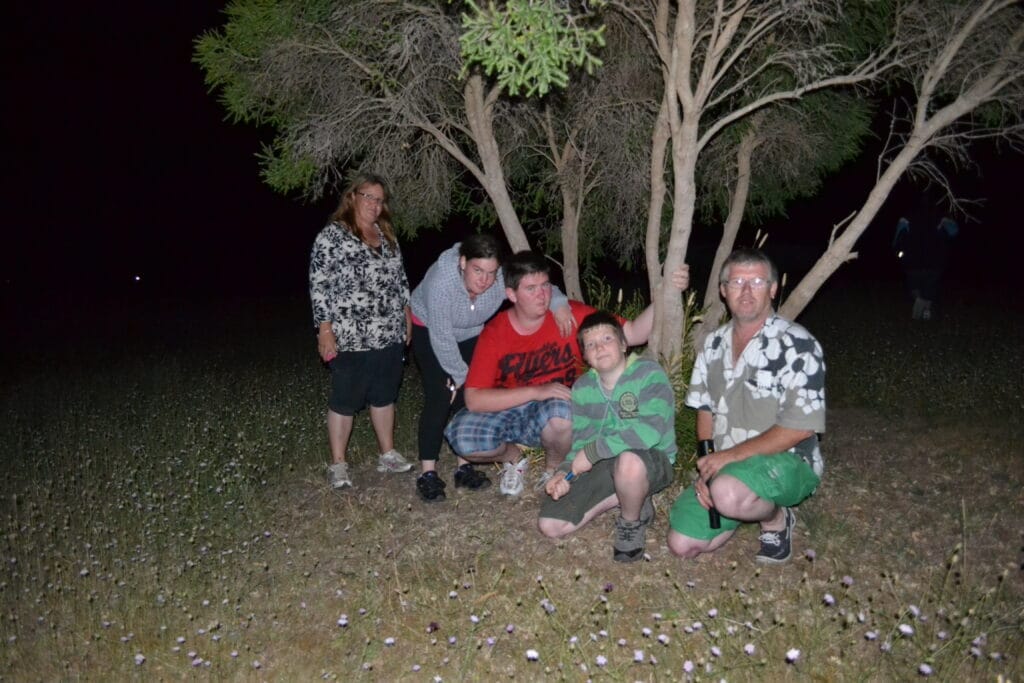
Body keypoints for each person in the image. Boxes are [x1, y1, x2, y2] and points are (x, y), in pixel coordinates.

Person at [444, 250, 689, 498]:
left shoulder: (570, 315)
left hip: (553, 414)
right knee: (461, 437)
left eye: (545, 285)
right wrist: (536, 391)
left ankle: (553, 469)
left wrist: (665, 292)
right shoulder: (495, 331)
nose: (542, 295)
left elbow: (634, 333)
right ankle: (514, 458)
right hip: (509, 409)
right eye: (531, 289)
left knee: (563, 411)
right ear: (511, 294)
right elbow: (474, 399)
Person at [667, 248, 825, 565]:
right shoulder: (713, 344)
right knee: (681, 543)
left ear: (773, 288)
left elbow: (801, 428)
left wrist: (728, 459)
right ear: (723, 290)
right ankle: (739, 500)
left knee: (727, 492)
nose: (747, 291)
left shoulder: (798, 344)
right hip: (730, 468)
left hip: (789, 461)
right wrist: (708, 466)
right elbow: (704, 409)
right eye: (737, 282)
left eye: (757, 281)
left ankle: (776, 519)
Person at [408, 235, 575, 503]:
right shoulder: (441, 282)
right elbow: (442, 338)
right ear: (463, 262)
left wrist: (560, 305)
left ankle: (464, 468)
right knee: (441, 394)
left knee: (469, 398)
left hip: (472, 331)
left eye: (491, 272)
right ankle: (428, 473)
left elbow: (536, 284)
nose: (485, 280)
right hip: (430, 328)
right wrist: (460, 378)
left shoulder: (498, 279)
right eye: (478, 270)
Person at [538, 312, 677, 562]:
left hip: (651, 460)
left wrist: (592, 453)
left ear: (623, 344)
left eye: (607, 339)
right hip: (605, 462)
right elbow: (581, 443)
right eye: (590, 344)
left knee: (629, 462)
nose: (599, 347)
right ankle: (632, 495)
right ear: (585, 356)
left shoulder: (649, 373)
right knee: (550, 525)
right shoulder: (582, 388)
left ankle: (631, 521)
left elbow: (649, 432)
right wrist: (566, 472)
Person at [309, 172, 414, 489]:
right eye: (368, 197)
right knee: (345, 399)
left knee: (384, 395)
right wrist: (324, 329)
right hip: (350, 334)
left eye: (379, 200)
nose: (374, 204)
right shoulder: (332, 236)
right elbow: (319, 286)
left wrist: (406, 315)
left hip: (388, 332)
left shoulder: (386, 234)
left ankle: (388, 454)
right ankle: (338, 464)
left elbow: (400, 280)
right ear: (353, 197)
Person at [892, 193, 959, 321]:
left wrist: (899, 252)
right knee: (929, 286)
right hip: (934, 259)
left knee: (914, 285)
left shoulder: (907, 217)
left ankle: (919, 302)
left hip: (914, 259)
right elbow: (954, 232)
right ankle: (926, 310)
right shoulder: (941, 216)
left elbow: (897, 238)